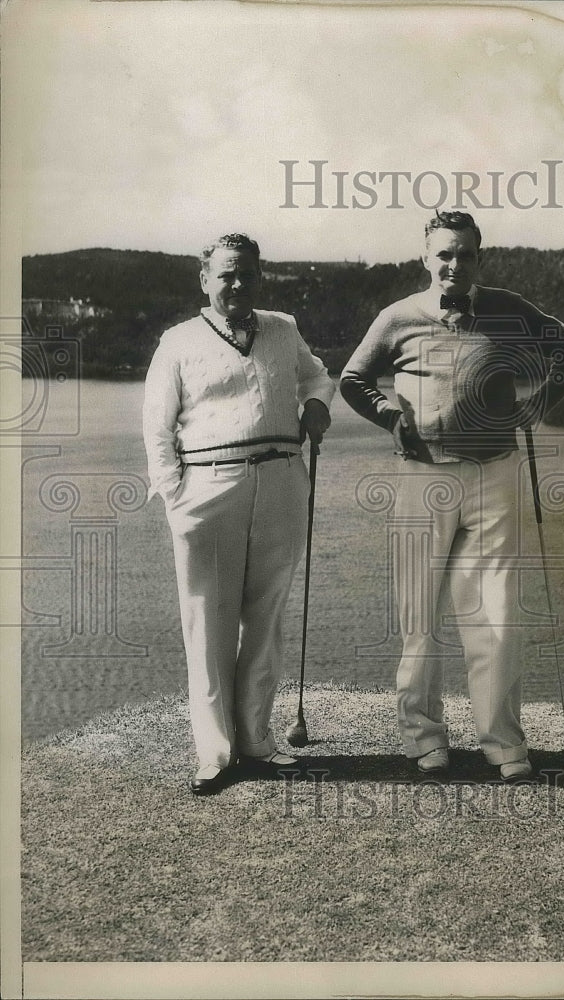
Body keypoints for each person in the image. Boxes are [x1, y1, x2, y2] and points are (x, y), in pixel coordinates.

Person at [340, 211, 564, 780]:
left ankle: (503, 744)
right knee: (419, 615)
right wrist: (387, 415)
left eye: (466, 255)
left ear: (480, 258)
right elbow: (352, 379)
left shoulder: (506, 307)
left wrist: (543, 399)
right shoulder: (397, 316)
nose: (455, 265)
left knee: (497, 615)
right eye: (444, 254)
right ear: (425, 258)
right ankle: (424, 739)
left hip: (495, 474)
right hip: (422, 478)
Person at [143, 233, 335, 794]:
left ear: (259, 277)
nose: (236, 283)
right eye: (225, 274)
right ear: (205, 280)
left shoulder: (283, 328)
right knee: (208, 621)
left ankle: (256, 740)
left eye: (246, 273)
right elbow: (156, 425)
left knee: (266, 617)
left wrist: (318, 403)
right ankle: (216, 752)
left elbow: (318, 375)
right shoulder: (178, 341)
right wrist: (176, 497)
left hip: (280, 482)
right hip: (208, 488)